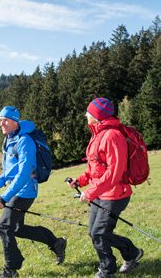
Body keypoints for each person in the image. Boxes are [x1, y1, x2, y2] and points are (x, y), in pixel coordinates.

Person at [0, 105, 67, 278]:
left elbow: (23, 173)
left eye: (5, 120)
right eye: (0, 120)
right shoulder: (9, 140)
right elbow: (11, 170)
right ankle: (56, 243)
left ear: (15, 120)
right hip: (16, 190)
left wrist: (4, 198)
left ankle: (11, 269)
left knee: (5, 226)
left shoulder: (24, 141)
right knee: (16, 229)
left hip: (25, 192)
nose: (2, 123)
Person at [68, 98, 143, 278]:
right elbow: (95, 168)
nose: (86, 114)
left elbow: (115, 172)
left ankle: (107, 270)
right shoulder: (97, 135)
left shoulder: (112, 136)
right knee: (95, 233)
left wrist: (91, 192)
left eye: (89, 112)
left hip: (115, 194)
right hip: (101, 193)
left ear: (97, 116)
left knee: (99, 233)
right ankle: (132, 253)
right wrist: (80, 181)